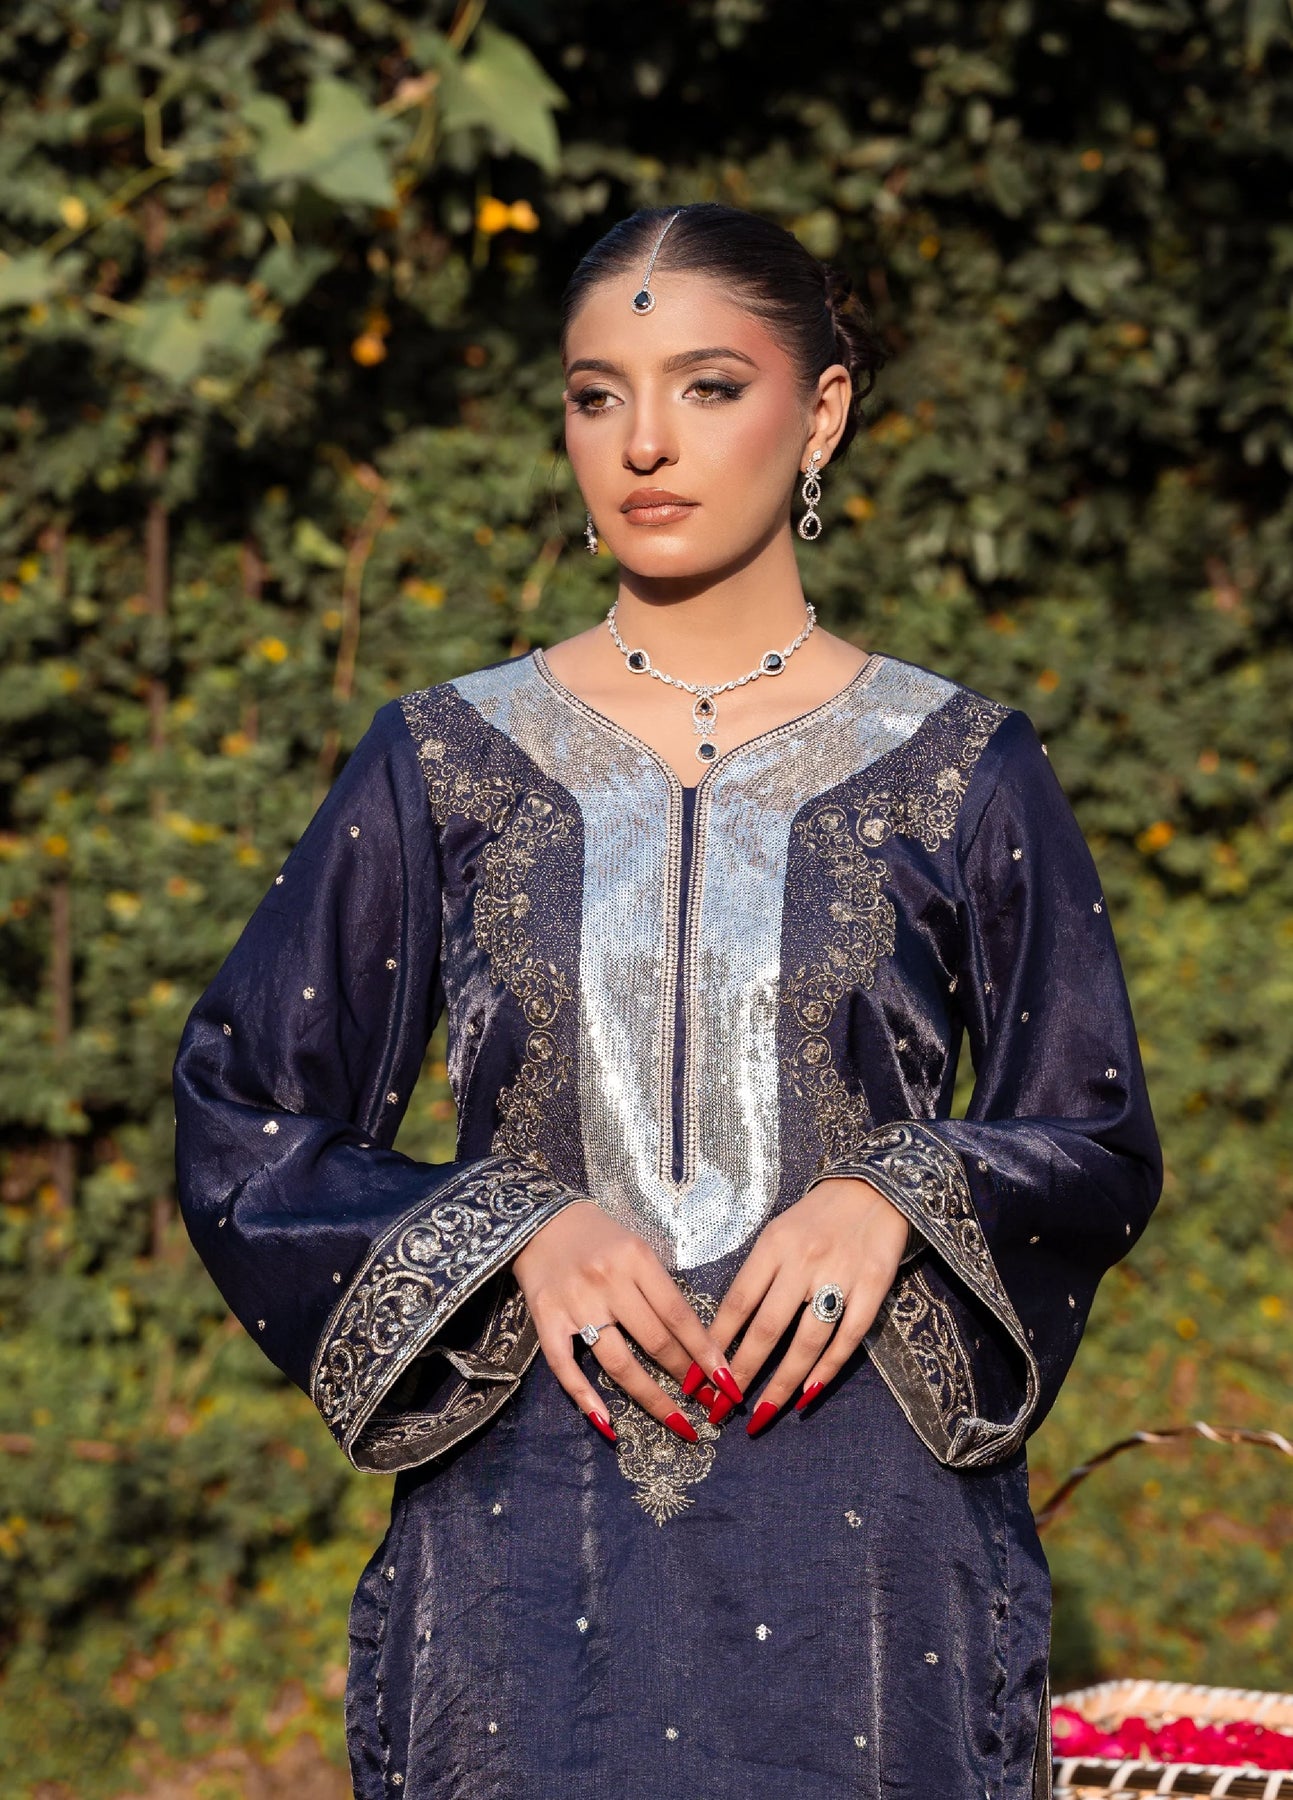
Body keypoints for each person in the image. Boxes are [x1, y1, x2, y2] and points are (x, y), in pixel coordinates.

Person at [173, 201, 1163, 1799]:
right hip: (525, 1527)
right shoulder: (443, 760)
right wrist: (511, 1225)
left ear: (819, 412)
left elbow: (1092, 1134)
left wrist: (899, 1192)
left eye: (708, 386)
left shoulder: (960, 767)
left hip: (865, 1552)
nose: (643, 442)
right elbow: (245, 1115)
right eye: (597, 394)